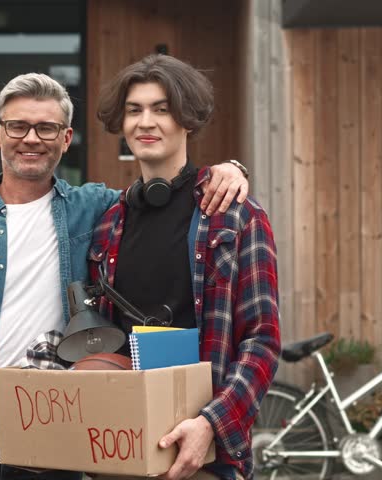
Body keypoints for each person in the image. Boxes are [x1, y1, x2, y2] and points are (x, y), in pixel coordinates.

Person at [0, 72, 251, 480]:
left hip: (61, 439)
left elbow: (164, 195)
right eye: (18, 126)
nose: (31, 138)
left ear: (65, 139)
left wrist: (230, 169)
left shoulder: (96, 209)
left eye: (46, 128)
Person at [88, 55, 281, 480]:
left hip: (204, 457)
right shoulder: (107, 224)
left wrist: (210, 423)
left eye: (162, 109)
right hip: (118, 452)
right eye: (135, 110)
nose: (146, 122)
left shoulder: (236, 215)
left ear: (187, 119)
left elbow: (262, 341)